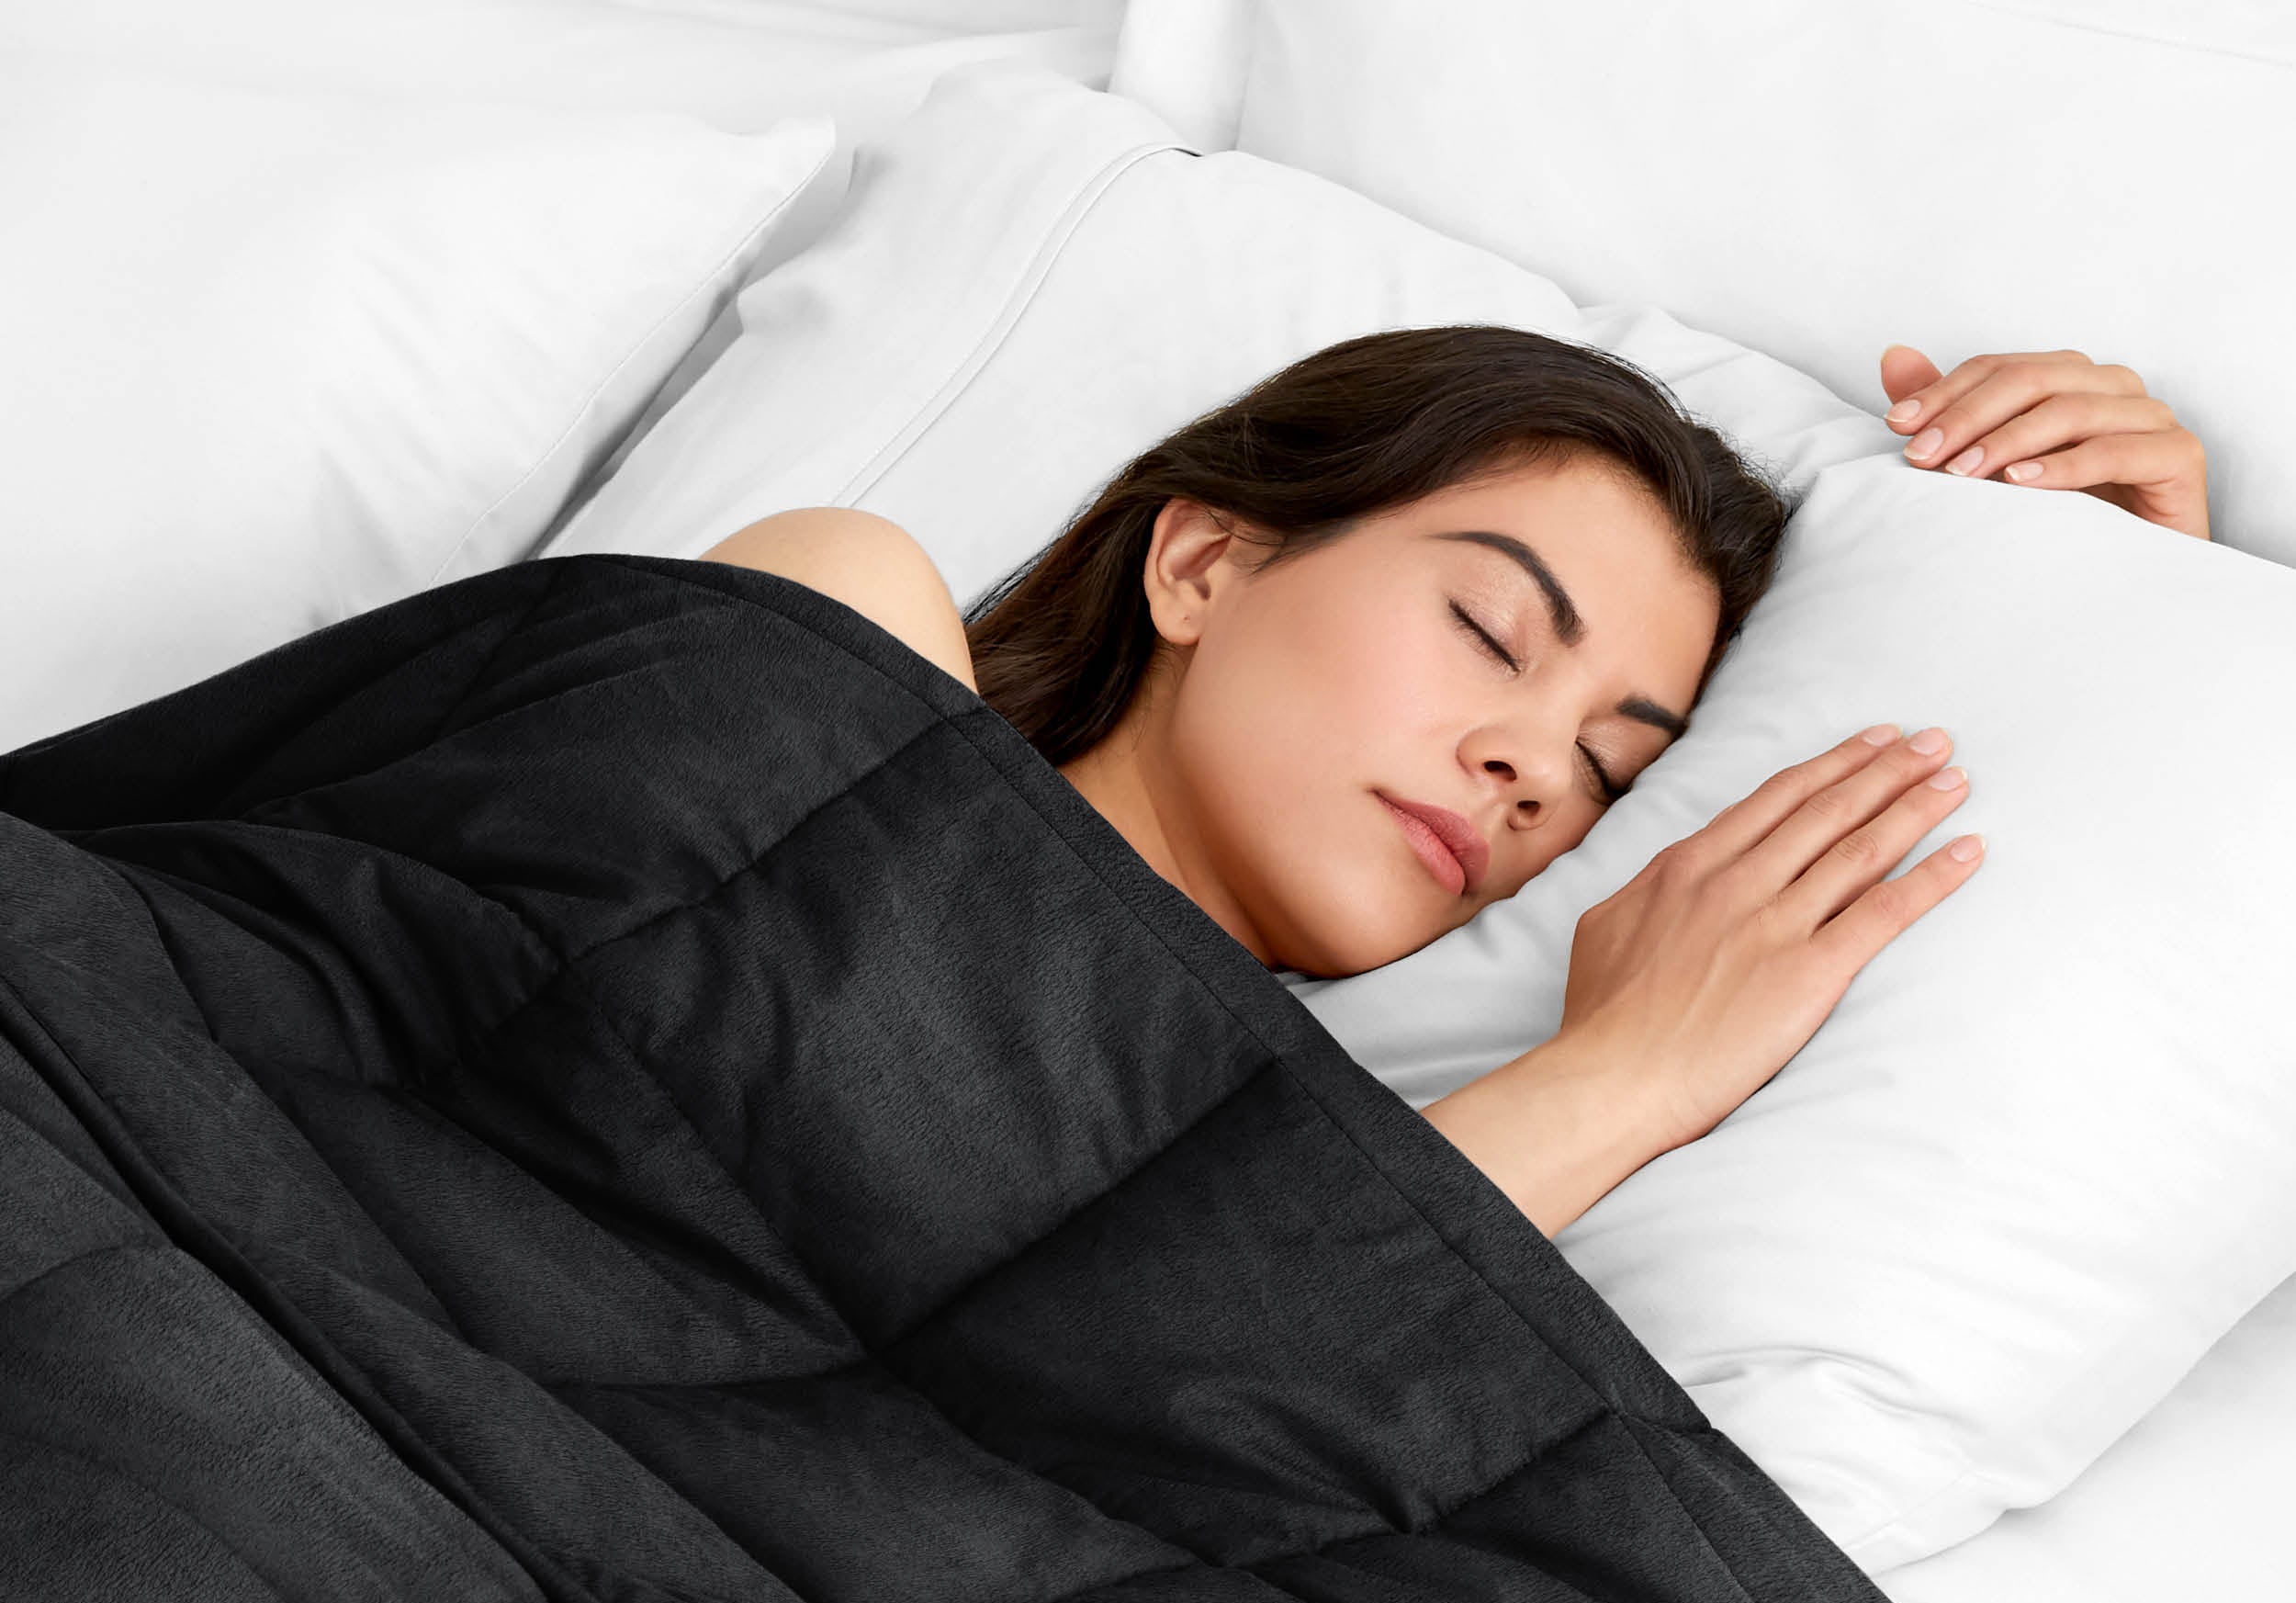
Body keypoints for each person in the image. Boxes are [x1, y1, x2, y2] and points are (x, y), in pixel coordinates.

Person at [702, 327, 2210, 1238]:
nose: (1536, 770)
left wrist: (2135, 613)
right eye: (1490, 633)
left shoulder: (1313, 1157)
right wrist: (1606, 1085)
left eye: (1611, 769)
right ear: (1206, 561)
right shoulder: (847, 613)